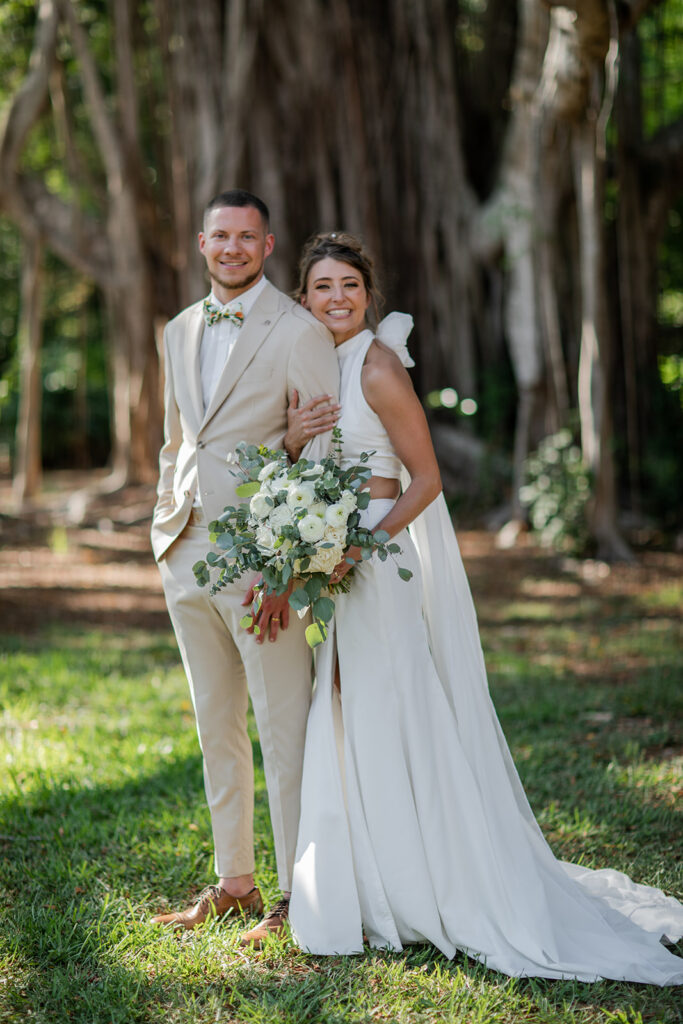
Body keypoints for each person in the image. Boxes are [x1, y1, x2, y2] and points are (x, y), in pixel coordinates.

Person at [282, 231, 683, 983]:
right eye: (321, 287)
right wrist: (297, 453)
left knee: (389, 705)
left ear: (369, 295)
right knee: (342, 705)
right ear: (303, 297)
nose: (336, 298)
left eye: (349, 286)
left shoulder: (375, 367)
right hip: (327, 556)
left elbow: (426, 479)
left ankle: (426, 883)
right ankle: (367, 881)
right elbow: (309, 468)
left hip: (371, 558)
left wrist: (361, 546)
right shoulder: (316, 366)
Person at [150, 191, 340, 944]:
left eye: (245, 237)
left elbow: (322, 458)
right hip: (184, 548)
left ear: (267, 247)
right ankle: (234, 880)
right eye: (219, 236)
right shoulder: (177, 329)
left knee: (282, 725)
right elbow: (176, 441)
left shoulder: (299, 330)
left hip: (263, 562)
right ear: (202, 243)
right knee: (214, 721)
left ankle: (297, 895)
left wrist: (287, 571)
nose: (231, 248)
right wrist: (164, 523)